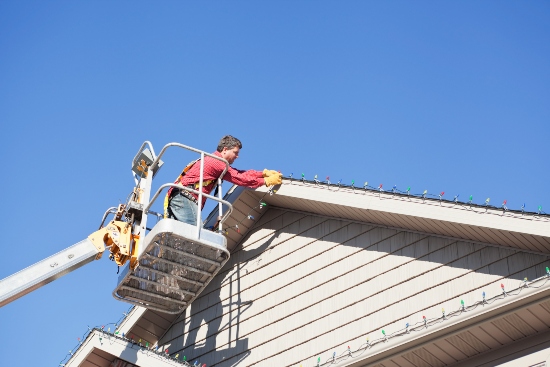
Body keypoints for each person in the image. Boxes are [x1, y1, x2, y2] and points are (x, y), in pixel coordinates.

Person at [164, 135, 282, 226]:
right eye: (235, 153)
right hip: (186, 198)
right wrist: (266, 181)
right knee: (192, 235)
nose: (237, 156)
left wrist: (263, 173)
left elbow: (239, 173)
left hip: (180, 197)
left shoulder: (214, 160)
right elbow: (240, 178)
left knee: (178, 236)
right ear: (225, 149)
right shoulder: (218, 163)